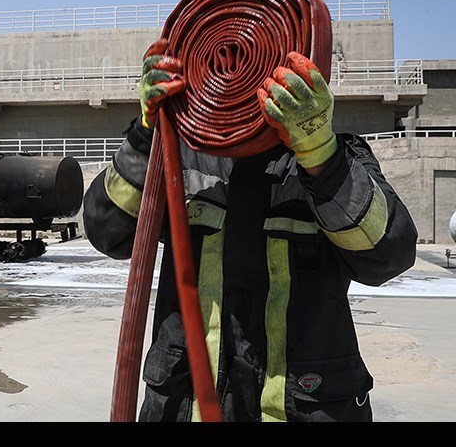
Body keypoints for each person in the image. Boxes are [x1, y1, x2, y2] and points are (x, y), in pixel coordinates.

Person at [82, 38, 418, 422]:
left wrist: (322, 157)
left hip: (301, 407)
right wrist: (146, 136)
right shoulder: (181, 154)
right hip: (184, 406)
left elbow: (388, 254)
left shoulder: (334, 159)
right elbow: (107, 229)